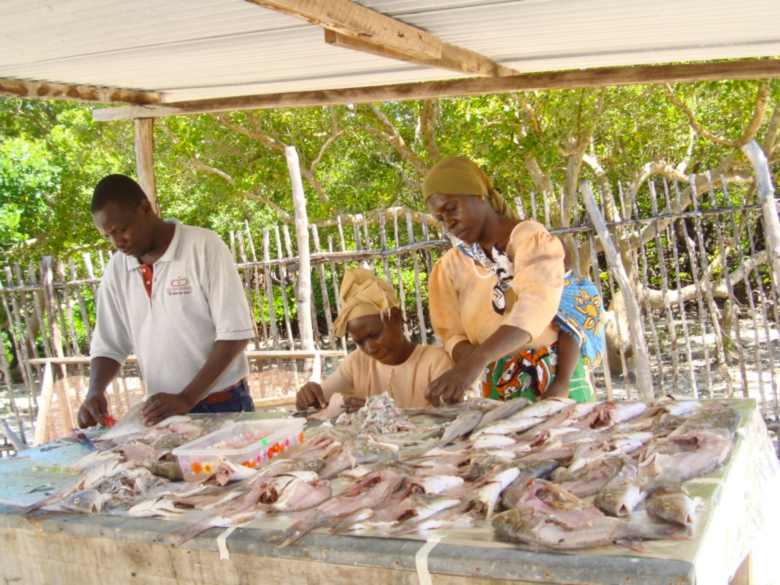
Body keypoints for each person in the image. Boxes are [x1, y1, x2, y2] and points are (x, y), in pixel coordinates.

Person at [77, 174, 256, 428]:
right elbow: (108, 345)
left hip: (223, 404)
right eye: (108, 236)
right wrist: (94, 393)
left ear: (145, 208)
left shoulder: (203, 246)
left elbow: (235, 334)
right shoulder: (117, 269)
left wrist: (186, 398)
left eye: (121, 230)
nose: (117, 243)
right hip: (163, 413)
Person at [422, 156, 604, 406]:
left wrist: (476, 362)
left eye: (452, 208)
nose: (449, 223)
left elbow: (534, 305)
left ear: (478, 195)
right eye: (440, 218)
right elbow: (451, 332)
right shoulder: (449, 267)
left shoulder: (530, 240)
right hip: (496, 381)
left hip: (552, 378)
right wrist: (467, 368)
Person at [296, 268, 454, 410]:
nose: (370, 349)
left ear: (396, 317)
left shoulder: (436, 362)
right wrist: (306, 398)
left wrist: (383, 412)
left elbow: (447, 418)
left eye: (374, 335)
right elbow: (320, 400)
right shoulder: (357, 363)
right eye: (360, 342)